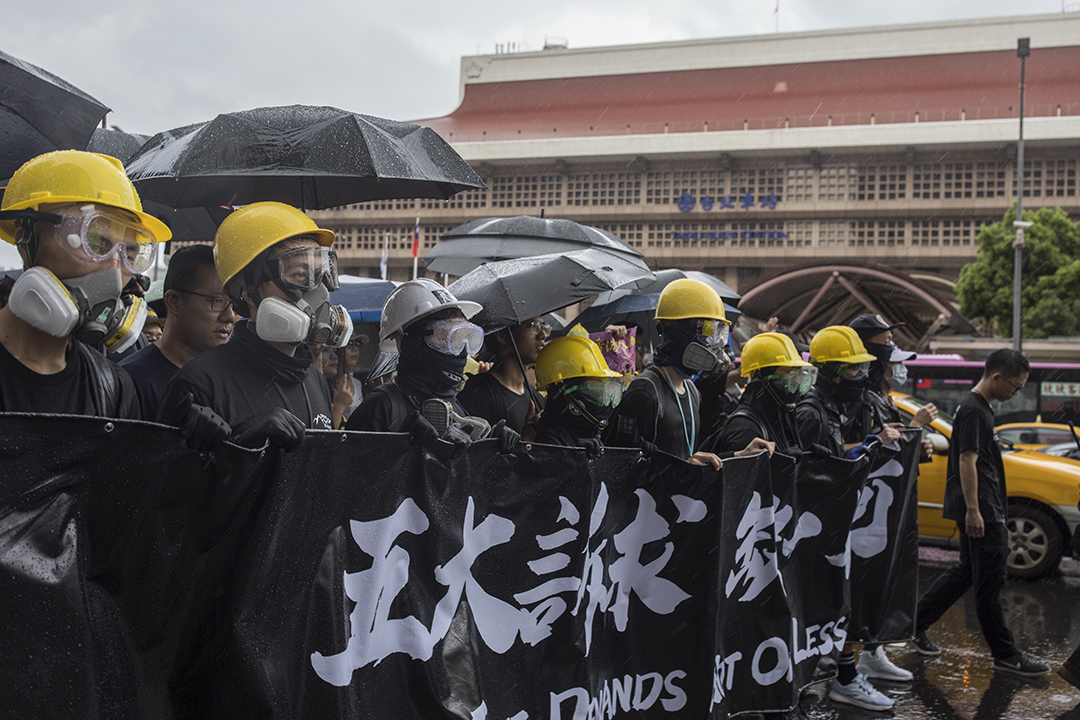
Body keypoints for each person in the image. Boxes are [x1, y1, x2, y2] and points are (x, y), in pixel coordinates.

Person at [157, 202, 353, 450]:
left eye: (321, 273)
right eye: (299, 275)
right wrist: (238, 451)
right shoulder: (199, 384)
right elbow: (162, 484)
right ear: (247, 291)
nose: (318, 290)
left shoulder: (312, 379)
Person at [910, 349, 1049, 677]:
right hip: (983, 511)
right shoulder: (974, 409)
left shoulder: (977, 408)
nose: (1015, 393)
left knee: (966, 574)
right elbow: (966, 461)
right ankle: (1006, 654)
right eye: (1015, 387)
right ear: (997, 377)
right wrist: (974, 510)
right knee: (988, 586)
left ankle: (912, 624)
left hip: (986, 508)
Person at [0, 150, 170, 417]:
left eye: (131, 253)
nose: (115, 269)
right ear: (27, 241)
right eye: (96, 241)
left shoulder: (114, 389)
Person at [796, 325, 904, 711]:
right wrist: (867, 448)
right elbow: (811, 470)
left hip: (832, 527)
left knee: (834, 606)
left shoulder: (834, 407)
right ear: (831, 372)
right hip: (811, 532)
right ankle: (825, 680)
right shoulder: (812, 411)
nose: (861, 377)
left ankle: (836, 675)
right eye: (854, 370)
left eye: (862, 369)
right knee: (816, 607)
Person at [347, 279, 518, 454]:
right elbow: (351, 476)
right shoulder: (381, 407)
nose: (459, 351)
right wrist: (405, 449)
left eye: (462, 337)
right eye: (445, 338)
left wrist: (490, 451)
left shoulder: (456, 408)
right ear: (411, 343)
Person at [604, 279, 733, 468]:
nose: (711, 343)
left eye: (715, 332)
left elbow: (690, 455)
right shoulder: (645, 392)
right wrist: (677, 469)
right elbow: (619, 467)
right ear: (679, 331)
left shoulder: (692, 392)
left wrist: (735, 456)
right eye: (705, 330)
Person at [120, 244, 237, 420]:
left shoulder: (231, 380)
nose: (230, 317)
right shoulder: (129, 383)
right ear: (174, 301)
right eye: (218, 302)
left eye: (234, 305)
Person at [708, 332, 813, 456]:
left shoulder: (779, 418)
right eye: (786, 380)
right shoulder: (745, 429)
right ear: (762, 378)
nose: (794, 389)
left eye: (797, 378)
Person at [458, 316, 547, 438]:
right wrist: (526, 440)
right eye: (534, 326)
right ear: (502, 336)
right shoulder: (477, 393)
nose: (542, 335)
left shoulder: (535, 398)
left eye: (543, 327)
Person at [532, 335, 623, 453]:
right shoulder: (549, 445)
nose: (605, 403)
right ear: (562, 394)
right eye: (592, 391)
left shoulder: (589, 434)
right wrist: (574, 461)